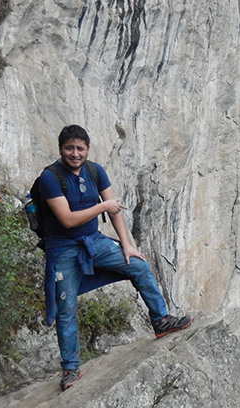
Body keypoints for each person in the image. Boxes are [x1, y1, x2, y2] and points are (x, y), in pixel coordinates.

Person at [38, 124, 193, 391]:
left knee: (139, 265)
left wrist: (127, 245)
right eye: (69, 148)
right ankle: (71, 369)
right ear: (61, 149)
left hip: (94, 242)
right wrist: (101, 206)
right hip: (62, 248)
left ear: (87, 149)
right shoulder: (50, 178)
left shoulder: (95, 171)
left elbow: (115, 211)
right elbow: (67, 219)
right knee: (66, 309)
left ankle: (161, 320)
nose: (75, 154)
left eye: (80, 148)